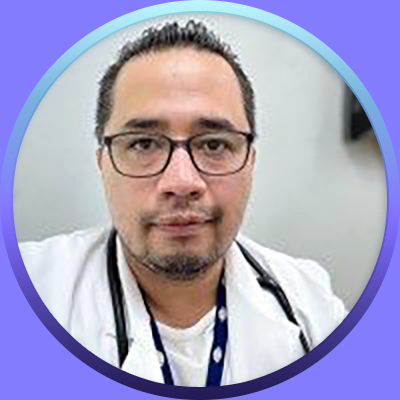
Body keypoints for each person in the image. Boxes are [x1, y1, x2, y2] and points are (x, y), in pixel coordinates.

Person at [19, 20, 347, 387]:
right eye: (143, 143)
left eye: (214, 144)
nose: (181, 183)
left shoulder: (312, 305)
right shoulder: (29, 290)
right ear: (102, 164)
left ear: (250, 163)